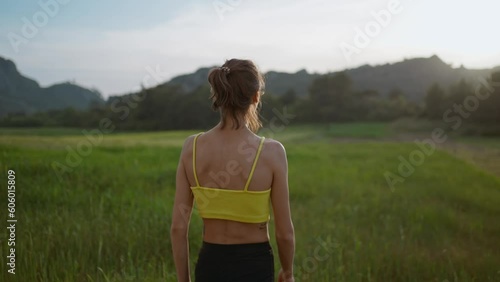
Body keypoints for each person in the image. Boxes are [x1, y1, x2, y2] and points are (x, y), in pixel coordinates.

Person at [170, 59, 295, 282]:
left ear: (218, 96)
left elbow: (179, 228)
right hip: (254, 266)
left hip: (210, 265)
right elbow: (284, 233)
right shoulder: (272, 152)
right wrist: (288, 272)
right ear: (256, 96)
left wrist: (184, 280)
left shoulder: (192, 148)